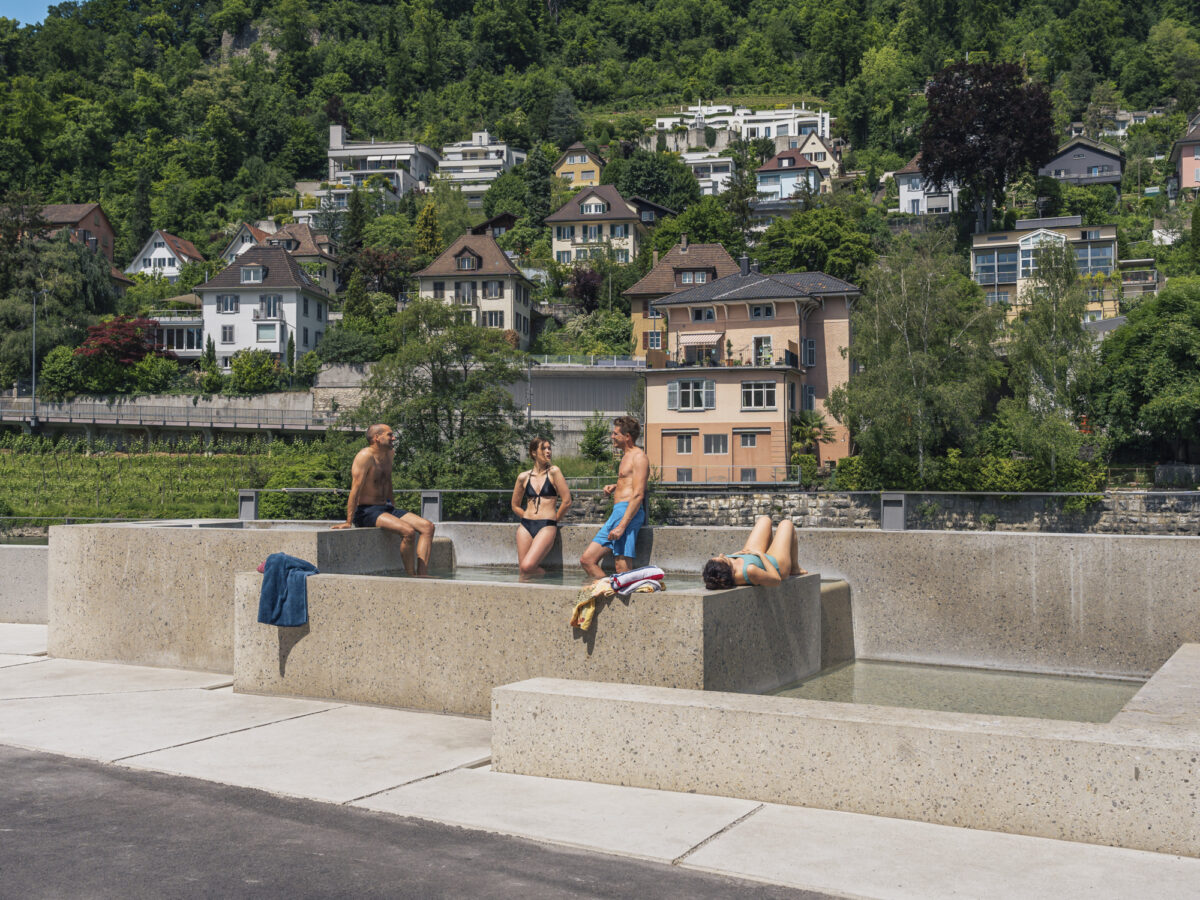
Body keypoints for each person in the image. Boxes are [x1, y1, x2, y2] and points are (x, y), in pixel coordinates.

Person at [332, 423, 435, 576]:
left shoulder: (389, 454)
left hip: (386, 508)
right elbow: (355, 490)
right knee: (408, 532)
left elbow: (387, 481)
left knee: (428, 527)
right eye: (389, 435)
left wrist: (392, 505)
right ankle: (412, 576)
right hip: (366, 511)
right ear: (377, 438)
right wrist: (349, 521)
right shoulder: (364, 457)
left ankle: (423, 575)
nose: (393, 438)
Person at [581, 416, 649, 579]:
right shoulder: (626, 456)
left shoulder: (639, 457)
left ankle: (625, 600)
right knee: (587, 560)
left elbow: (639, 493)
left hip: (628, 513)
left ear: (627, 437)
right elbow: (630, 481)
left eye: (615, 433)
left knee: (621, 567)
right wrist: (616, 485)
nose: (612, 437)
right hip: (618, 512)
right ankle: (610, 591)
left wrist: (622, 526)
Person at [511, 437, 572, 577]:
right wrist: (526, 515)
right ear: (533, 453)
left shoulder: (554, 472)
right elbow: (515, 505)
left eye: (549, 448)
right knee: (523, 571)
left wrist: (554, 520)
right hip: (526, 525)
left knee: (528, 567)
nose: (548, 451)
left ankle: (551, 579)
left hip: (547, 524)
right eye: (543, 448)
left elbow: (567, 501)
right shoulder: (523, 477)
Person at [702, 515, 807, 589]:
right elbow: (776, 580)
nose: (722, 555)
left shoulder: (719, 571)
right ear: (729, 569)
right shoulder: (750, 571)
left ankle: (770, 547)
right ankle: (795, 568)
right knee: (786, 524)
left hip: (752, 556)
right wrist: (761, 555)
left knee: (764, 520)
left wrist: (735, 556)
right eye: (723, 559)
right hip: (776, 564)